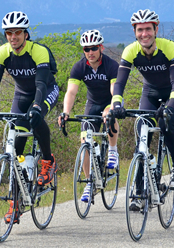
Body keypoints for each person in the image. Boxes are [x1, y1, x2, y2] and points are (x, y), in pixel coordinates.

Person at [0, 11, 59, 223]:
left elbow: (40, 84)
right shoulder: (2, 53)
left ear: (26, 34)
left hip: (46, 90)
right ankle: (16, 202)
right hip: (21, 95)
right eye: (9, 33)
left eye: (17, 32)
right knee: (16, 149)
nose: (13, 37)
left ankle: (48, 160)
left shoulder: (38, 52)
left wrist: (37, 107)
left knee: (36, 119)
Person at [111, 9, 174, 210]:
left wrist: (171, 106)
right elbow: (119, 83)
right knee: (141, 135)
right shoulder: (130, 51)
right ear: (134, 31)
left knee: (166, 122)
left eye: (148, 29)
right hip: (150, 93)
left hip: (173, 92)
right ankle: (137, 192)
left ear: (156, 29)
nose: (144, 34)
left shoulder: (169, 48)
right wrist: (116, 103)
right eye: (140, 30)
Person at [58, 29, 120, 202]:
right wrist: (65, 112)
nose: (90, 52)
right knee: (85, 141)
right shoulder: (79, 67)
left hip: (109, 100)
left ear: (101, 47)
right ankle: (88, 182)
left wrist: (113, 107)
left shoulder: (111, 65)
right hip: (92, 104)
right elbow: (71, 92)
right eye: (86, 49)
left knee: (110, 116)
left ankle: (113, 151)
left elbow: (115, 90)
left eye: (93, 48)